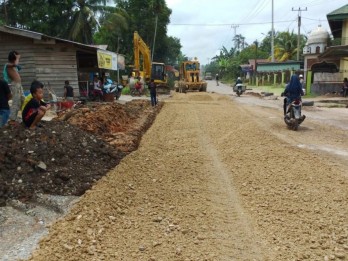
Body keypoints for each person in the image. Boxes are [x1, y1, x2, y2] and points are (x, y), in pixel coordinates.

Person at [3, 50, 25, 124]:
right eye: (17, 57)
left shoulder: (13, 65)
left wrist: (17, 59)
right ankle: (12, 120)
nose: (18, 59)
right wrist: (17, 57)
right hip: (15, 85)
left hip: (19, 85)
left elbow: (17, 66)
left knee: (23, 100)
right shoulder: (8, 65)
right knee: (16, 101)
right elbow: (15, 64)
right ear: (14, 58)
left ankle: (22, 115)